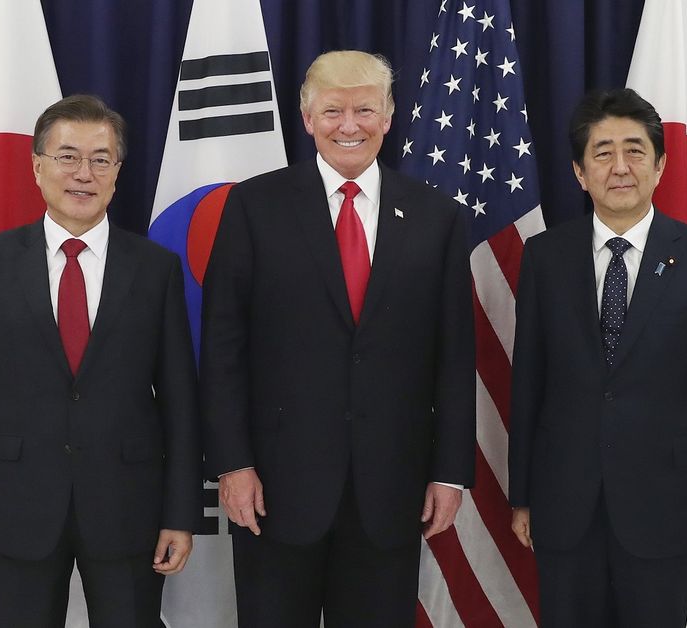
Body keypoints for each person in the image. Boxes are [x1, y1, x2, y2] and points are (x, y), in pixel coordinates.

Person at [200, 50, 476, 627]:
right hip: (274, 488)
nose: (348, 125)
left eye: (364, 110)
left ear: (389, 115)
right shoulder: (253, 207)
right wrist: (232, 463)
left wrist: (448, 471)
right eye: (332, 111)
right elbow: (223, 348)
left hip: (391, 489)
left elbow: (453, 355)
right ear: (306, 118)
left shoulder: (437, 217)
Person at [0, 94, 201, 627]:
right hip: (17, 507)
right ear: (37, 167)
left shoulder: (156, 270)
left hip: (128, 508)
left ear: (116, 173)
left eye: (100, 159)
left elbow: (179, 402)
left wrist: (180, 514)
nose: (83, 173)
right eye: (67, 156)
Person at [508, 87, 687, 627]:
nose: (621, 166)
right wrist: (521, 495)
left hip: (667, 504)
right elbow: (528, 382)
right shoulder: (544, 258)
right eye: (603, 151)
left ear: (660, 165)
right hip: (564, 502)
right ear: (578, 171)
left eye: (636, 150)